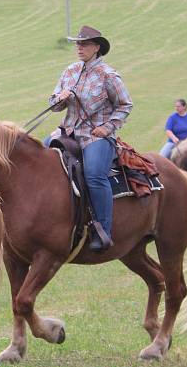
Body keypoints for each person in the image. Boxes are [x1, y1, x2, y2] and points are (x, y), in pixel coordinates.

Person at [49, 25, 133, 252]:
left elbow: (125, 105)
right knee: (38, 157)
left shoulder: (109, 75)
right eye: (77, 43)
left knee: (95, 175)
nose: (79, 47)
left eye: (84, 44)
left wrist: (107, 128)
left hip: (96, 136)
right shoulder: (70, 71)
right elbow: (54, 105)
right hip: (67, 131)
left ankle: (103, 231)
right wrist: (60, 98)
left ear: (96, 47)